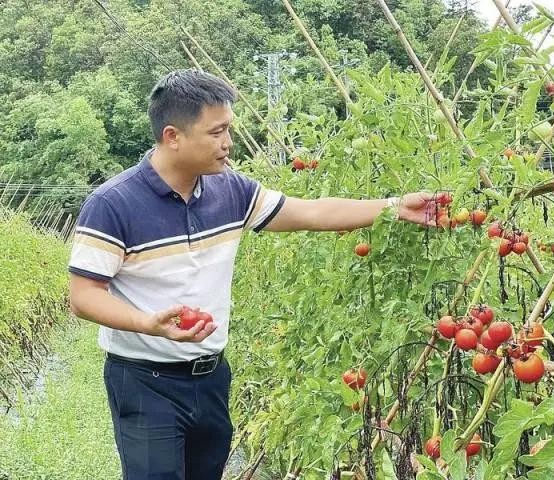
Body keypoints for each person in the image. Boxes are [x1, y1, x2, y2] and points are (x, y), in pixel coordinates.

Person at [68, 69, 446, 480]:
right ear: (173, 136)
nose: (228, 143)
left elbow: (311, 212)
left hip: (211, 375)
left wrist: (393, 206)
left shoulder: (230, 191)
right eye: (216, 133)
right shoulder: (113, 203)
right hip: (144, 380)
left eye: (228, 129)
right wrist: (149, 324)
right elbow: (84, 295)